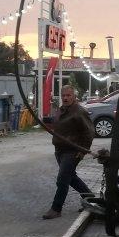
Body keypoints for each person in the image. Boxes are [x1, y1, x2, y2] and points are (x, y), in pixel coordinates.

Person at [41, 85, 94, 219]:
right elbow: (58, 123)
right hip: (60, 150)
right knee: (71, 177)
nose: (65, 98)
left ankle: (56, 208)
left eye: (68, 95)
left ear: (74, 96)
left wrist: (83, 150)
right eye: (63, 95)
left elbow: (89, 132)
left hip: (72, 151)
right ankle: (91, 199)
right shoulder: (61, 110)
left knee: (62, 179)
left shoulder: (79, 111)